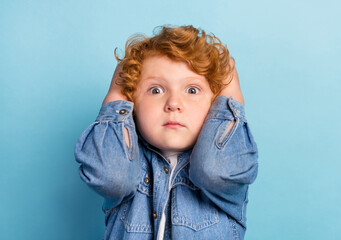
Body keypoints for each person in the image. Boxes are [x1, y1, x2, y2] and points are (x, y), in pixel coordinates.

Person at [75, 25, 258, 240]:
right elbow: (111, 177)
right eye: (156, 90)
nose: (173, 103)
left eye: (192, 90)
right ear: (132, 102)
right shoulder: (125, 161)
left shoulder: (228, 163)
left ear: (215, 105)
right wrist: (117, 92)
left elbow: (214, 170)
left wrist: (231, 89)